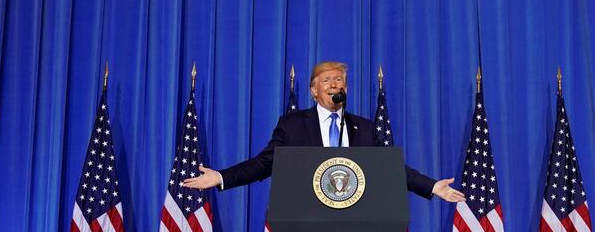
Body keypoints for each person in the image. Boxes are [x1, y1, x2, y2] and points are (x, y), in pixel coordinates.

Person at [183, 61, 465, 203]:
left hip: (353, 220)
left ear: (347, 89)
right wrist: (221, 177)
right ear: (313, 90)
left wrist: (431, 186)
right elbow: (263, 164)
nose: (334, 85)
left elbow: (391, 168)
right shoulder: (293, 125)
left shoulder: (364, 129)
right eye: (326, 80)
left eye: (339, 80)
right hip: (306, 218)